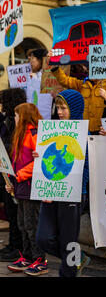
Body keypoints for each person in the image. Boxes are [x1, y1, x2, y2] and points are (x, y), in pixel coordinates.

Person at [34, 89, 90, 277]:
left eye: (64, 108)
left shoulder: (84, 133)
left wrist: (78, 190)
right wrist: (39, 156)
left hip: (73, 193)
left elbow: (87, 166)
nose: (59, 112)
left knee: (68, 242)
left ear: (73, 109)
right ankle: (77, 258)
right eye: (58, 107)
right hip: (51, 190)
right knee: (43, 238)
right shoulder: (52, 129)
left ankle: (69, 269)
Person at [5, 103, 47, 276]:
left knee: (32, 224)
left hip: (31, 187)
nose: (14, 118)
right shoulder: (20, 135)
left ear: (23, 116)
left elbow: (41, 161)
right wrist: (11, 180)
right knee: (22, 224)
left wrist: (20, 174)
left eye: (16, 115)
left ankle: (40, 259)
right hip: (21, 186)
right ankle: (27, 256)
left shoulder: (34, 134)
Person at [50, 50, 106, 134]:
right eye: (90, 68)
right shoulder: (82, 84)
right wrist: (55, 67)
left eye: (96, 67)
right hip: (85, 131)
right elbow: (65, 81)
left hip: (102, 131)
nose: (93, 70)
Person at [0, 88, 27, 262]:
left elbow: (13, 145)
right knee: (10, 210)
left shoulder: (15, 122)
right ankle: (12, 244)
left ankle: (17, 247)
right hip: (6, 169)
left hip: (14, 171)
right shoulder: (8, 120)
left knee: (15, 210)